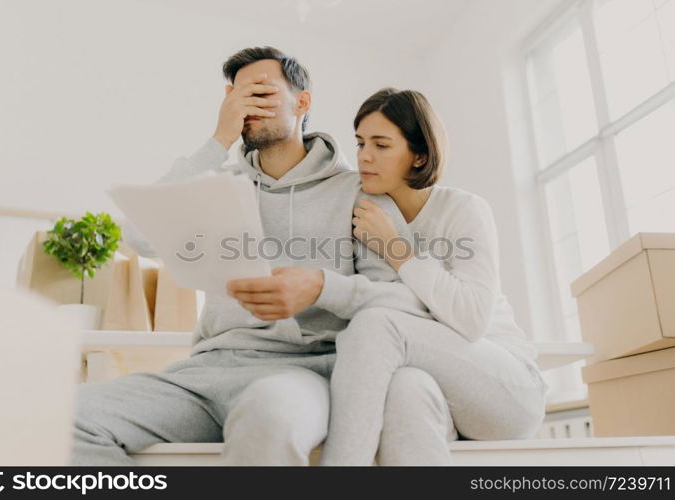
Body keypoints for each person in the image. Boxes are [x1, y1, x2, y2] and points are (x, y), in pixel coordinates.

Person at [71, 47, 444, 466]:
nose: (246, 108)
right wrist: (218, 141)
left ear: (302, 102)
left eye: (261, 95)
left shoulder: (360, 191)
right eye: (237, 97)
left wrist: (320, 289)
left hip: (302, 372)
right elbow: (137, 235)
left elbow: (399, 301)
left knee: (270, 416)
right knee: (66, 420)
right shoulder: (218, 182)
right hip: (205, 373)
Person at [318, 88, 550, 465]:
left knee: (377, 324)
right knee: (405, 387)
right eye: (360, 143)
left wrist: (397, 251)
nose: (364, 157)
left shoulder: (464, 209)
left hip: (509, 389)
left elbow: (472, 318)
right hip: (438, 389)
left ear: (419, 156)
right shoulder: (369, 214)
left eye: (381, 145)